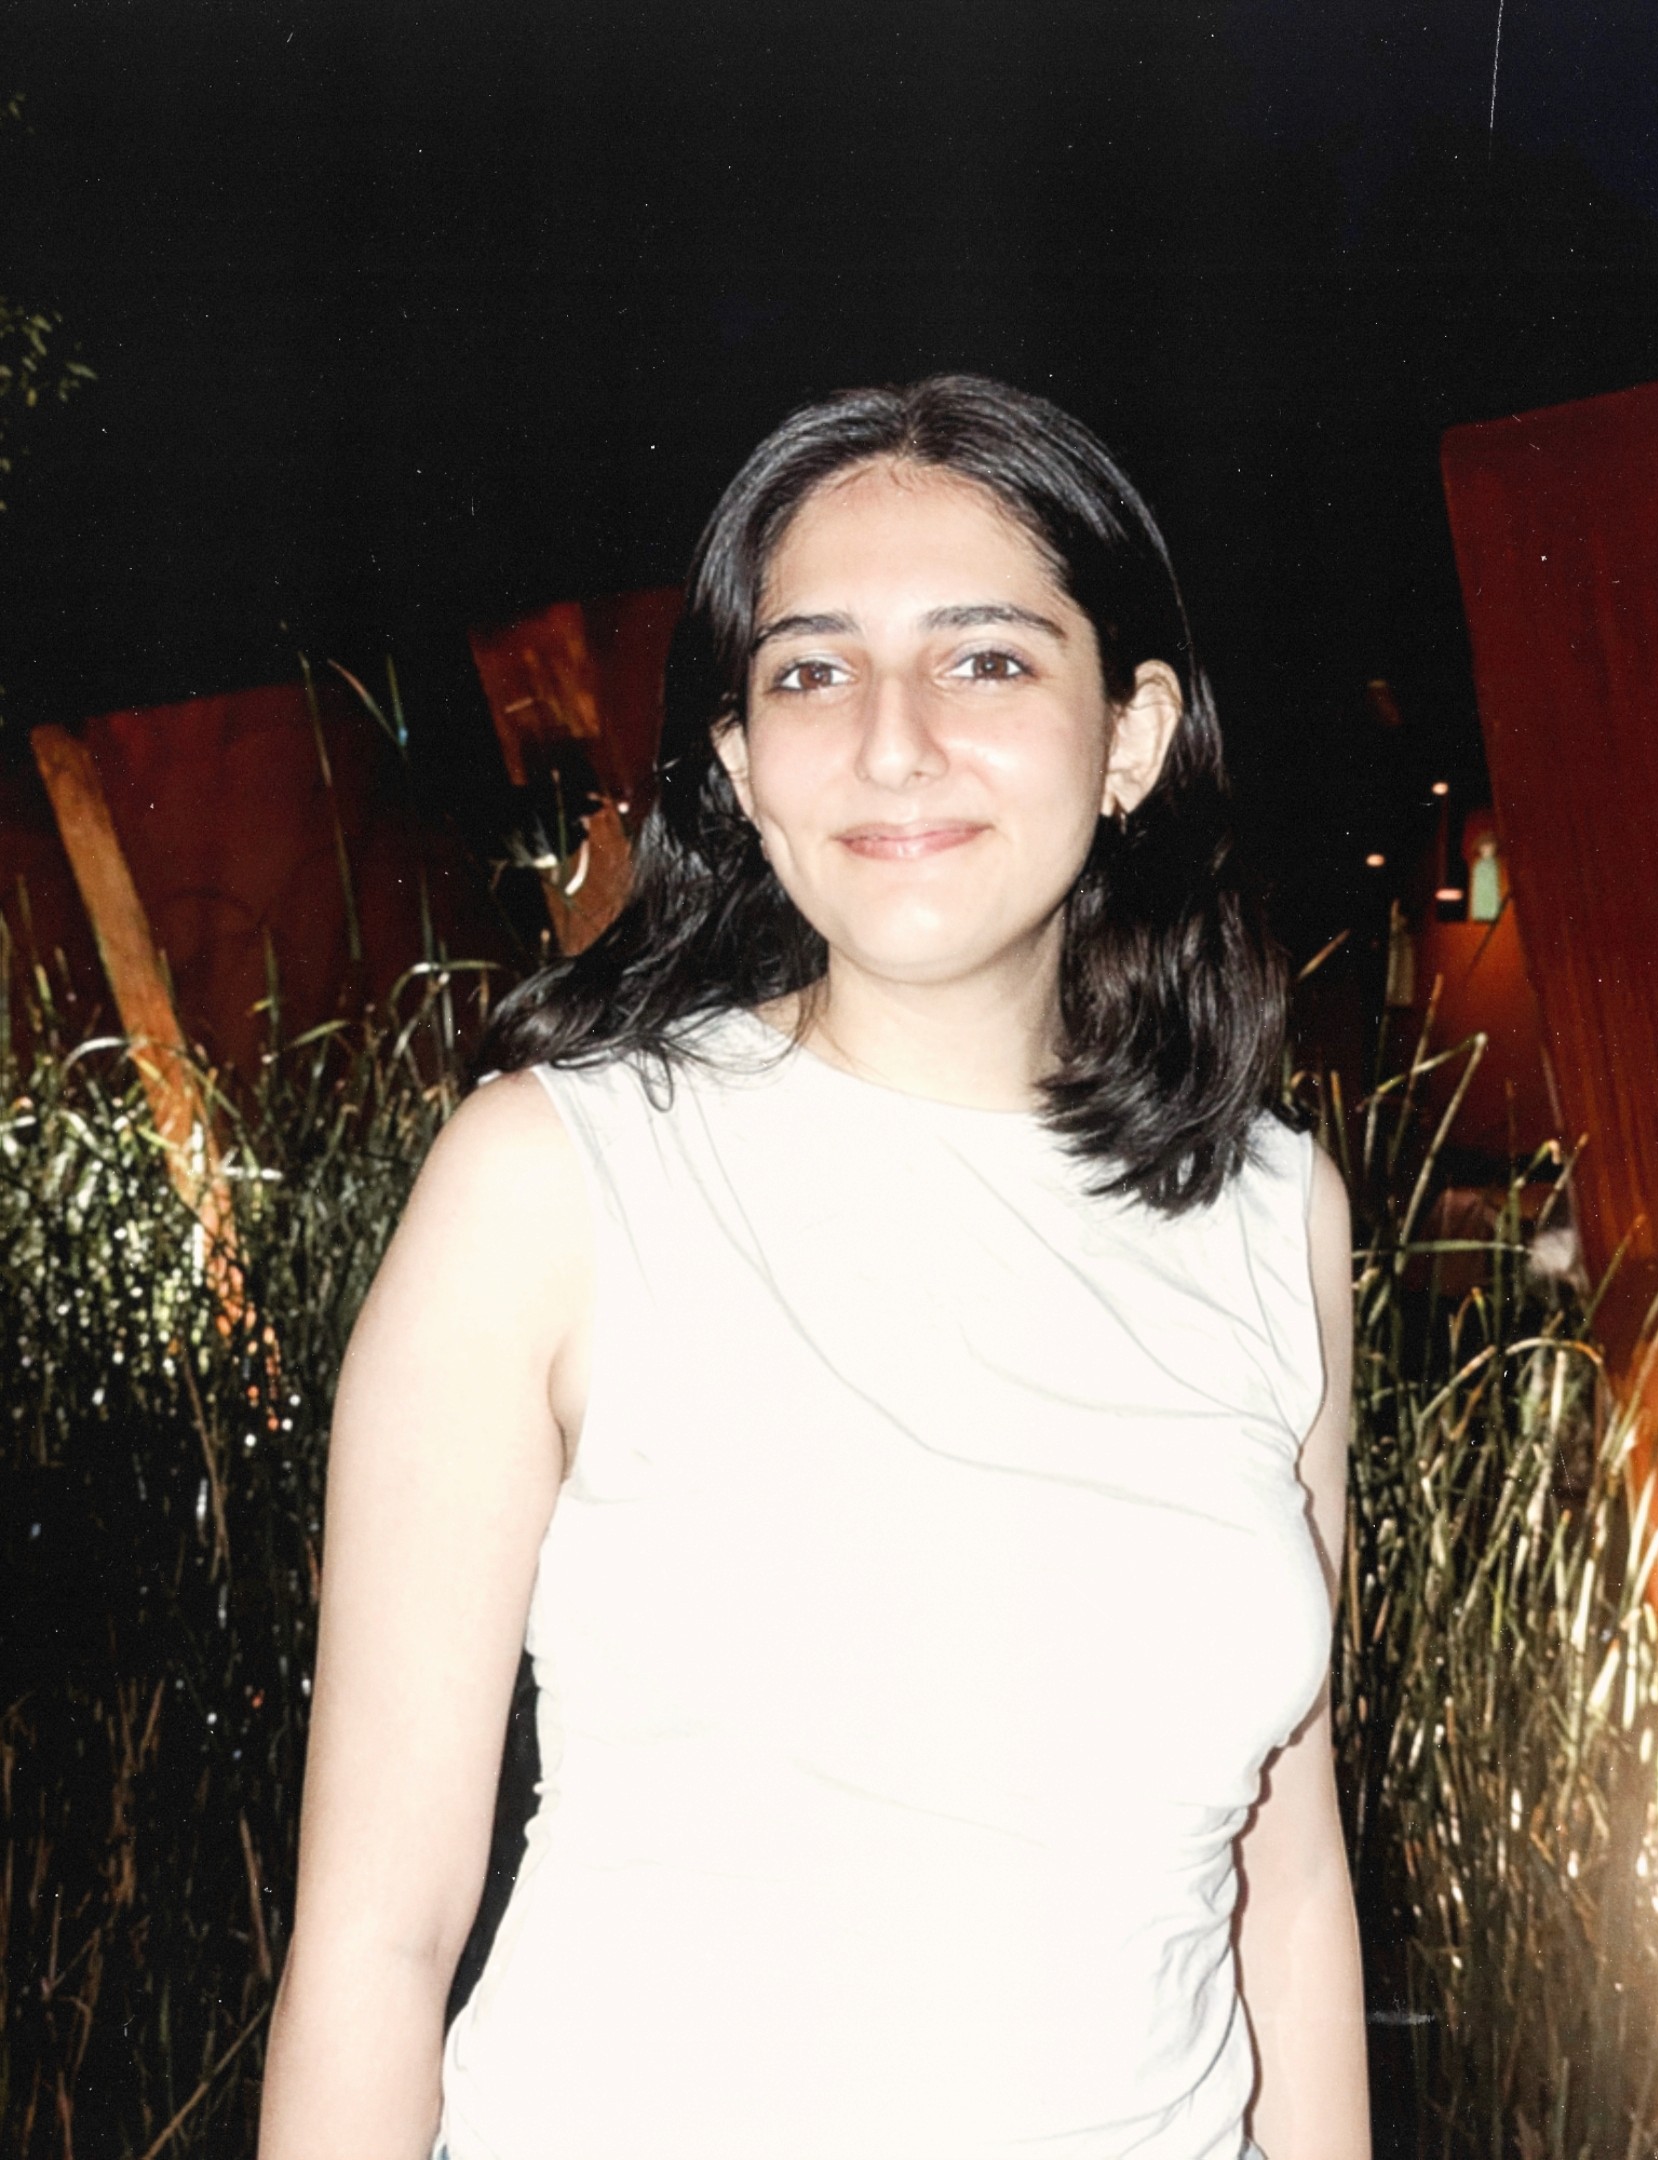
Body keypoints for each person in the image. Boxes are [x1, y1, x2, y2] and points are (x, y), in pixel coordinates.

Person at [258, 374, 1370, 2160]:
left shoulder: (1266, 1207)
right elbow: (376, 1949)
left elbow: (1280, 1874)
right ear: (735, 765)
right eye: (811, 670)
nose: (893, 741)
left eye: (989, 659)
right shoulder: (554, 1178)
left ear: (1134, 734)